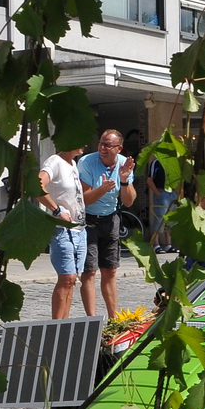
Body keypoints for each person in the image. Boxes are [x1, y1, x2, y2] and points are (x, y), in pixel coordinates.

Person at [78, 130, 136, 320]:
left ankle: (113, 318)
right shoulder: (86, 162)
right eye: (101, 144)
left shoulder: (124, 163)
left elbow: (129, 202)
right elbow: (83, 199)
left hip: (111, 218)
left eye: (108, 145)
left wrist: (125, 180)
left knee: (110, 270)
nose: (103, 148)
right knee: (89, 271)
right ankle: (92, 318)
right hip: (88, 219)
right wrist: (102, 189)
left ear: (118, 148)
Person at [39, 145, 87, 319]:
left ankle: (64, 325)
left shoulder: (72, 163)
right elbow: (37, 185)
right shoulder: (55, 161)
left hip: (79, 230)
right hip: (62, 229)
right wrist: (56, 210)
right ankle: (56, 325)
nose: (84, 145)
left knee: (72, 280)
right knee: (66, 277)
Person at [146, 154, 175, 254]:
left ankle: (168, 244)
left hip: (172, 192)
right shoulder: (156, 162)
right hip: (161, 192)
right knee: (159, 218)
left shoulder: (173, 161)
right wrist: (157, 193)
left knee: (171, 219)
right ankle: (156, 244)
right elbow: (149, 180)